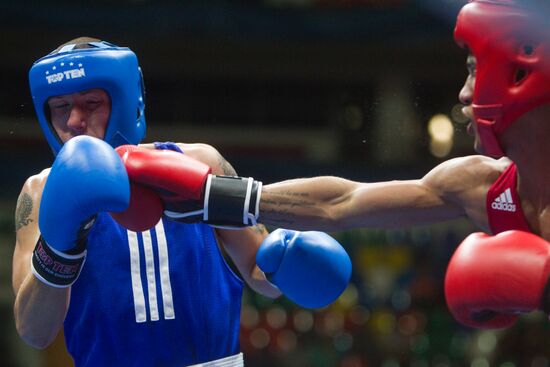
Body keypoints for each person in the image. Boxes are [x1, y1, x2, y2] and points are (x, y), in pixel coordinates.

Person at [122, 0, 550, 330]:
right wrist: (216, 197)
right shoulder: (480, 186)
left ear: (517, 77)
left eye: (474, 72)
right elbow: (343, 202)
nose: (462, 94)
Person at [12, 37, 352, 367]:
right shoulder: (39, 192)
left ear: (126, 100)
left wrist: (289, 264)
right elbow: (34, 332)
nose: (74, 121)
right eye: (60, 107)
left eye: (91, 103)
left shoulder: (200, 162)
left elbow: (257, 272)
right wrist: (58, 251)